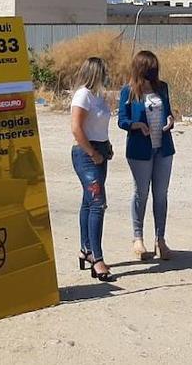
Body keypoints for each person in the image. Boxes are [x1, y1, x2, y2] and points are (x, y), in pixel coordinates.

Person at [117, 50, 175, 261]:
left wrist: (170, 120)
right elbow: (122, 120)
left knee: (161, 194)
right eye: (150, 69)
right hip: (140, 149)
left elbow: (169, 112)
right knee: (141, 192)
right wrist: (136, 125)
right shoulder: (129, 91)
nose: (153, 72)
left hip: (163, 148)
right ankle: (138, 237)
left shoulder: (163, 88)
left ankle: (161, 239)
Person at [70, 57, 117, 282]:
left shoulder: (98, 96)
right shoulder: (83, 95)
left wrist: (105, 146)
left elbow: (99, 125)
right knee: (98, 203)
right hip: (86, 152)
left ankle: (85, 249)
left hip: (100, 149)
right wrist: (92, 152)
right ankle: (97, 259)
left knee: (89, 202)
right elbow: (76, 128)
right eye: (103, 72)